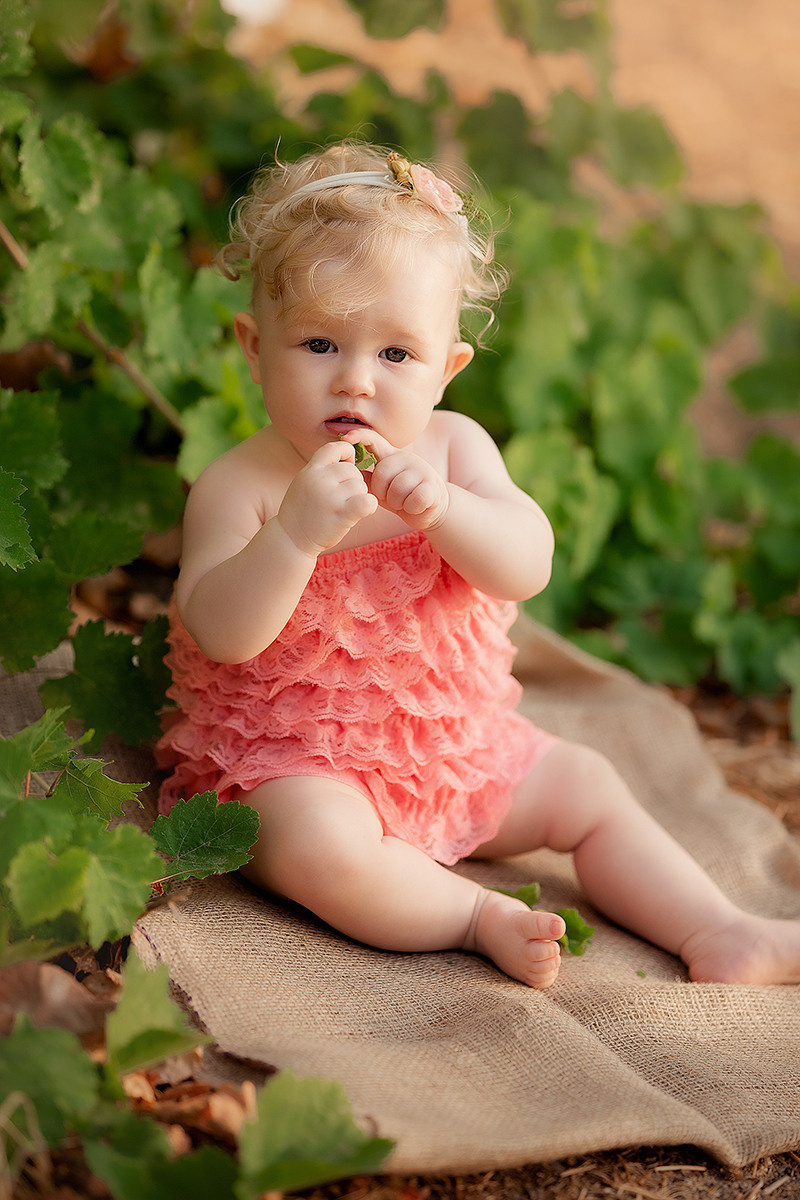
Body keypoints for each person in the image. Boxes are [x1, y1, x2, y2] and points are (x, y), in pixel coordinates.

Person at [157, 141, 800, 989]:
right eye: (318, 344)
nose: (355, 381)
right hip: (296, 761)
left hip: (449, 747)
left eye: (395, 355)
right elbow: (221, 631)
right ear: (253, 345)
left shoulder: (455, 451)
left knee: (588, 787)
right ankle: (471, 915)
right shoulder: (240, 485)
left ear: (447, 366)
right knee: (314, 844)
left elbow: (526, 563)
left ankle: (718, 928)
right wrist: (293, 538)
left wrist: (445, 511)